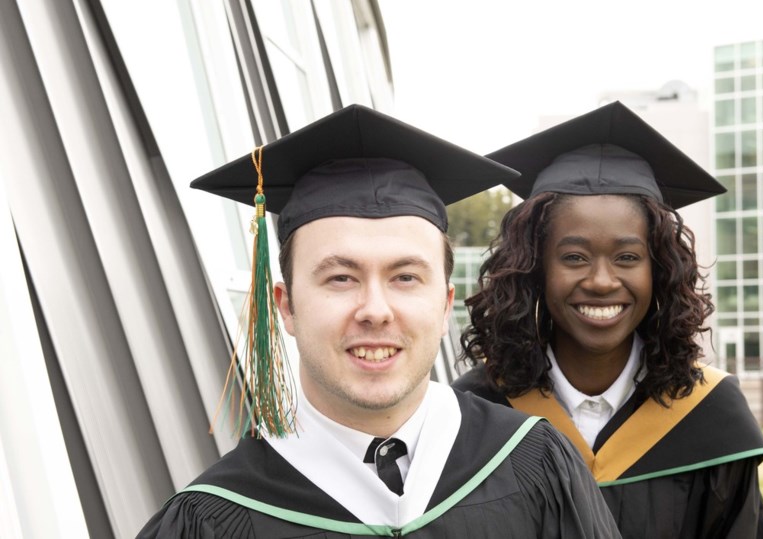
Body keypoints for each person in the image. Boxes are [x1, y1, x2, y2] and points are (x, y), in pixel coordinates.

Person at [138, 105, 621, 538]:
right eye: (341, 278)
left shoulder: (535, 466)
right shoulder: (209, 522)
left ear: (444, 301)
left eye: (405, 277)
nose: (375, 309)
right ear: (285, 305)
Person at [454, 101, 763, 538]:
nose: (602, 281)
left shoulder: (710, 415)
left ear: (658, 269)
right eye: (574, 257)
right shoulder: (477, 413)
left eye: (627, 257)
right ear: (535, 268)